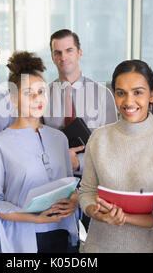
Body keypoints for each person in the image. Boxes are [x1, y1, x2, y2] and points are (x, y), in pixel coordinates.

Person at [78, 60, 153, 253]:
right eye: (121, 93)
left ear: (152, 94)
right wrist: (94, 211)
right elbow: (86, 192)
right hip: (97, 248)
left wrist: (124, 218)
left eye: (137, 92)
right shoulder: (98, 138)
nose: (129, 102)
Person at [0, 51, 79, 253]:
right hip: (25, 238)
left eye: (41, 91)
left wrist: (75, 200)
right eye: (28, 93)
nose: (37, 98)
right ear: (14, 99)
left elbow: (70, 184)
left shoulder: (59, 139)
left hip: (62, 232)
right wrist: (34, 217)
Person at [43, 29, 118, 176]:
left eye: (69, 50)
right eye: (57, 52)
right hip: (53, 178)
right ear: (52, 57)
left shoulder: (103, 95)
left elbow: (112, 146)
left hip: (93, 178)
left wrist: (78, 162)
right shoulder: (42, 96)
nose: (63, 57)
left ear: (79, 53)